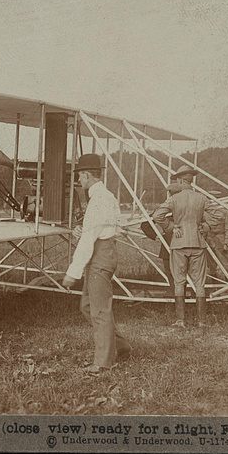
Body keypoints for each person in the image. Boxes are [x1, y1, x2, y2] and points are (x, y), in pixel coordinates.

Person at [62, 153, 130, 375]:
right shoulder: (106, 196)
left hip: (100, 255)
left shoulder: (98, 199)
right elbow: (113, 226)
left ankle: (103, 362)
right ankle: (120, 346)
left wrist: (73, 272)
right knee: (88, 306)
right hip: (105, 251)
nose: (78, 182)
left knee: (99, 309)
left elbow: (88, 240)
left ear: (86, 175)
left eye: (80, 177)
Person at [151, 168, 222, 328]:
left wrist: (170, 227)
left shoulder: (174, 199)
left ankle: (180, 320)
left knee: (179, 281)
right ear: (190, 181)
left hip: (179, 243)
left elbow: (157, 216)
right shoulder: (201, 198)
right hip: (197, 243)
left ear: (181, 181)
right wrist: (207, 226)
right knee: (199, 283)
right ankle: (202, 322)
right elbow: (219, 215)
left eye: (177, 180)